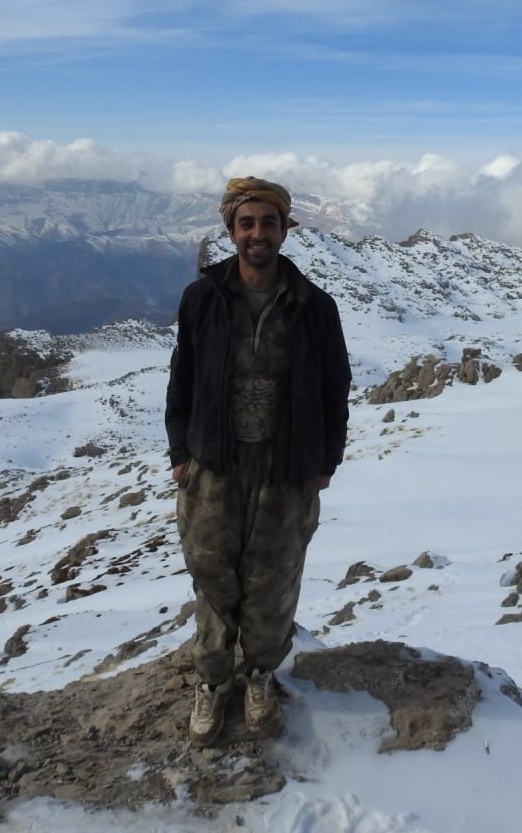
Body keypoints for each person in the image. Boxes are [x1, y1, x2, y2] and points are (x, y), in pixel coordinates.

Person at [165, 175, 351, 746]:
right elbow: (183, 376)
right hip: (214, 465)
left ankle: (260, 676)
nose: (257, 233)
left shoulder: (314, 307)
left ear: (285, 230)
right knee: (212, 575)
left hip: (286, 467)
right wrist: (181, 454)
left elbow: (335, 388)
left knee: (273, 580)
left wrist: (326, 462)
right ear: (231, 230)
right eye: (246, 223)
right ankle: (213, 680)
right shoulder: (203, 299)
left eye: (268, 222)